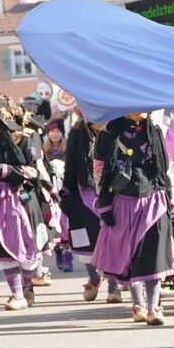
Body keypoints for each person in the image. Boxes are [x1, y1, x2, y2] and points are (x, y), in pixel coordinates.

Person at [92, 112, 174, 326]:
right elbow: (100, 172)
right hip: (122, 201)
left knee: (153, 255)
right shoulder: (109, 132)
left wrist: (168, 199)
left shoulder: (153, 130)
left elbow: (163, 168)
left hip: (153, 202)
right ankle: (137, 305)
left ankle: (153, 308)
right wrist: (105, 204)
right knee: (130, 256)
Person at [0, 98, 44, 310]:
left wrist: (3, 169)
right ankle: (17, 294)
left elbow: (33, 171)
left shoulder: (24, 139)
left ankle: (26, 286)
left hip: (20, 202)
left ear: (0, 117)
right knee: (2, 250)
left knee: (25, 249)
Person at [61, 116, 122, 303]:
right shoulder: (77, 132)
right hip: (82, 192)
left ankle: (113, 285)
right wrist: (66, 192)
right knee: (83, 240)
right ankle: (94, 277)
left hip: (109, 192)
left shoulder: (116, 128)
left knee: (110, 239)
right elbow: (70, 163)